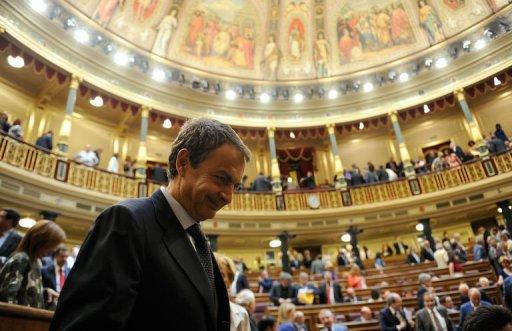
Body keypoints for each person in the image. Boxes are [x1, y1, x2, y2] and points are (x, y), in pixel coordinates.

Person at [50, 118, 251, 330]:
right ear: (183, 163)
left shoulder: (198, 241)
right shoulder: (128, 222)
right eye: (221, 178)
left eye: (235, 186)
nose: (228, 197)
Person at [0, 220, 66, 308]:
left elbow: (25, 291)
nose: (52, 251)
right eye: (51, 246)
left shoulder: (35, 261)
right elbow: (8, 297)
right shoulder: (21, 259)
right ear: (40, 241)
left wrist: (45, 293)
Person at [216, 254, 251, 331]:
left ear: (229, 281)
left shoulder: (242, 314)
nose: (215, 278)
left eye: (221, 275)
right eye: (212, 273)